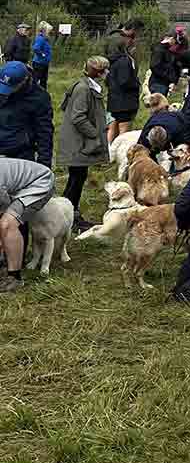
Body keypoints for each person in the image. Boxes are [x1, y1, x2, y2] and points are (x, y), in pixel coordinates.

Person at [57, 56, 109, 233]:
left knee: (78, 179)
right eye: (105, 70)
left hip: (80, 142)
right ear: (97, 72)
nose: (107, 73)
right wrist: (95, 134)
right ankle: (68, 218)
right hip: (77, 143)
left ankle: (70, 215)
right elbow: (78, 116)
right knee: (75, 181)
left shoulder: (88, 85)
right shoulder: (83, 89)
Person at [0, 156, 53, 292]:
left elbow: (4, 202)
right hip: (16, 187)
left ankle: (14, 278)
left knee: (7, 223)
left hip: (40, 182)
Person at [0, 61, 53, 170]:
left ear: (23, 81)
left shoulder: (39, 98)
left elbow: (45, 133)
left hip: (21, 156)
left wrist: (44, 165)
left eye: (10, 88)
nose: (5, 92)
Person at [105, 34, 141, 144]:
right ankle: (120, 152)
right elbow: (124, 81)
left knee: (112, 128)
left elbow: (108, 80)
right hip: (125, 102)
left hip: (113, 100)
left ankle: (107, 153)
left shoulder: (111, 61)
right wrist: (136, 84)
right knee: (124, 132)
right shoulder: (125, 60)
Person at [28, 21, 52, 89]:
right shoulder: (40, 38)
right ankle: (31, 93)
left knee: (44, 81)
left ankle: (43, 94)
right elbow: (35, 48)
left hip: (44, 63)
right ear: (44, 30)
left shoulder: (46, 39)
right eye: (48, 30)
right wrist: (42, 54)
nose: (49, 32)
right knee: (35, 80)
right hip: (39, 64)